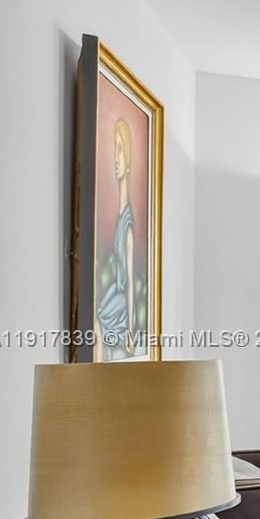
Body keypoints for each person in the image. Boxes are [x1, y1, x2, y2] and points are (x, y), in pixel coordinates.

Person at [95, 116, 138, 360]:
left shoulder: (128, 225)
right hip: (116, 293)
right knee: (97, 321)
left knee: (99, 321)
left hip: (122, 298)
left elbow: (130, 281)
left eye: (120, 150)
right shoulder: (121, 218)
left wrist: (131, 329)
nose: (115, 159)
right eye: (115, 149)